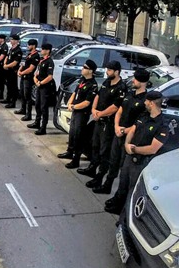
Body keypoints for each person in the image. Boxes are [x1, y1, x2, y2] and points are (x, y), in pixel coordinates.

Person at [104, 91, 169, 214]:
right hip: (130, 157)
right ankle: (118, 207)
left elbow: (153, 148)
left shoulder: (162, 125)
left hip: (141, 162)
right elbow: (133, 130)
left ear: (151, 103)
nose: (144, 103)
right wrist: (127, 144)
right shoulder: (144, 115)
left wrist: (134, 149)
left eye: (146, 101)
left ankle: (125, 216)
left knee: (132, 190)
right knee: (123, 184)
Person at [97, 68, 149, 194]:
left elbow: (140, 123)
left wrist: (125, 131)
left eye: (135, 79)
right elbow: (119, 111)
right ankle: (106, 185)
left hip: (129, 137)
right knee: (113, 161)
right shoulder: (130, 94)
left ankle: (120, 195)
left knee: (124, 168)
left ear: (142, 82)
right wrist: (116, 126)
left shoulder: (145, 101)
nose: (133, 81)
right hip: (118, 132)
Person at [78, 60, 127, 188]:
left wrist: (101, 114)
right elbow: (98, 96)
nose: (107, 72)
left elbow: (115, 107)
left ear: (116, 72)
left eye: (110, 70)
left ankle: (99, 177)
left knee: (104, 151)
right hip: (98, 120)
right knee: (94, 145)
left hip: (108, 124)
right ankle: (92, 168)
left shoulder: (121, 88)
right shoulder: (106, 82)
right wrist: (94, 110)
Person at [57, 59, 99, 168]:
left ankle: (76, 159)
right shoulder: (82, 80)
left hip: (82, 113)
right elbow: (75, 93)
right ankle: (70, 151)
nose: (82, 69)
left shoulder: (93, 85)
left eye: (85, 67)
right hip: (75, 111)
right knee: (72, 133)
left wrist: (74, 106)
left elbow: (87, 102)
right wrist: (70, 103)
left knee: (78, 136)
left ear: (91, 71)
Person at [28, 42, 55, 135]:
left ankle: (43, 127)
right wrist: (35, 79)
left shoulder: (49, 62)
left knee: (44, 107)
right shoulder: (42, 60)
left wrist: (41, 83)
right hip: (39, 85)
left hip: (45, 87)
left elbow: (50, 76)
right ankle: (37, 122)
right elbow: (37, 72)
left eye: (43, 49)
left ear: (47, 51)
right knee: (37, 105)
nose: (41, 51)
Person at [16, 39, 40, 120]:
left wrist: (22, 73)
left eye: (29, 45)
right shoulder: (29, 54)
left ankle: (28, 114)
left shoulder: (36, 56)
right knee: (22, 94)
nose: (28, 46)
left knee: (27, 96)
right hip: (24, 77)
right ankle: (23, 109)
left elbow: (31, 68)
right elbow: (24, 64)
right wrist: (20, 70)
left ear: (33, 46)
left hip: (28, 78)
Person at [2, 34, 23, 108]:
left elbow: (15, 62)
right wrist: (5, 63)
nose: (10, 41)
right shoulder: (11, 49)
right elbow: (7, 57)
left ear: (16, 41)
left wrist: (7, 66)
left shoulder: (18, 50)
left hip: (13, 70)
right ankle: (8, 98)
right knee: (8, 85)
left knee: (13, 86)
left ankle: (12, 102)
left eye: (12, 39)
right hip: (8, 70)